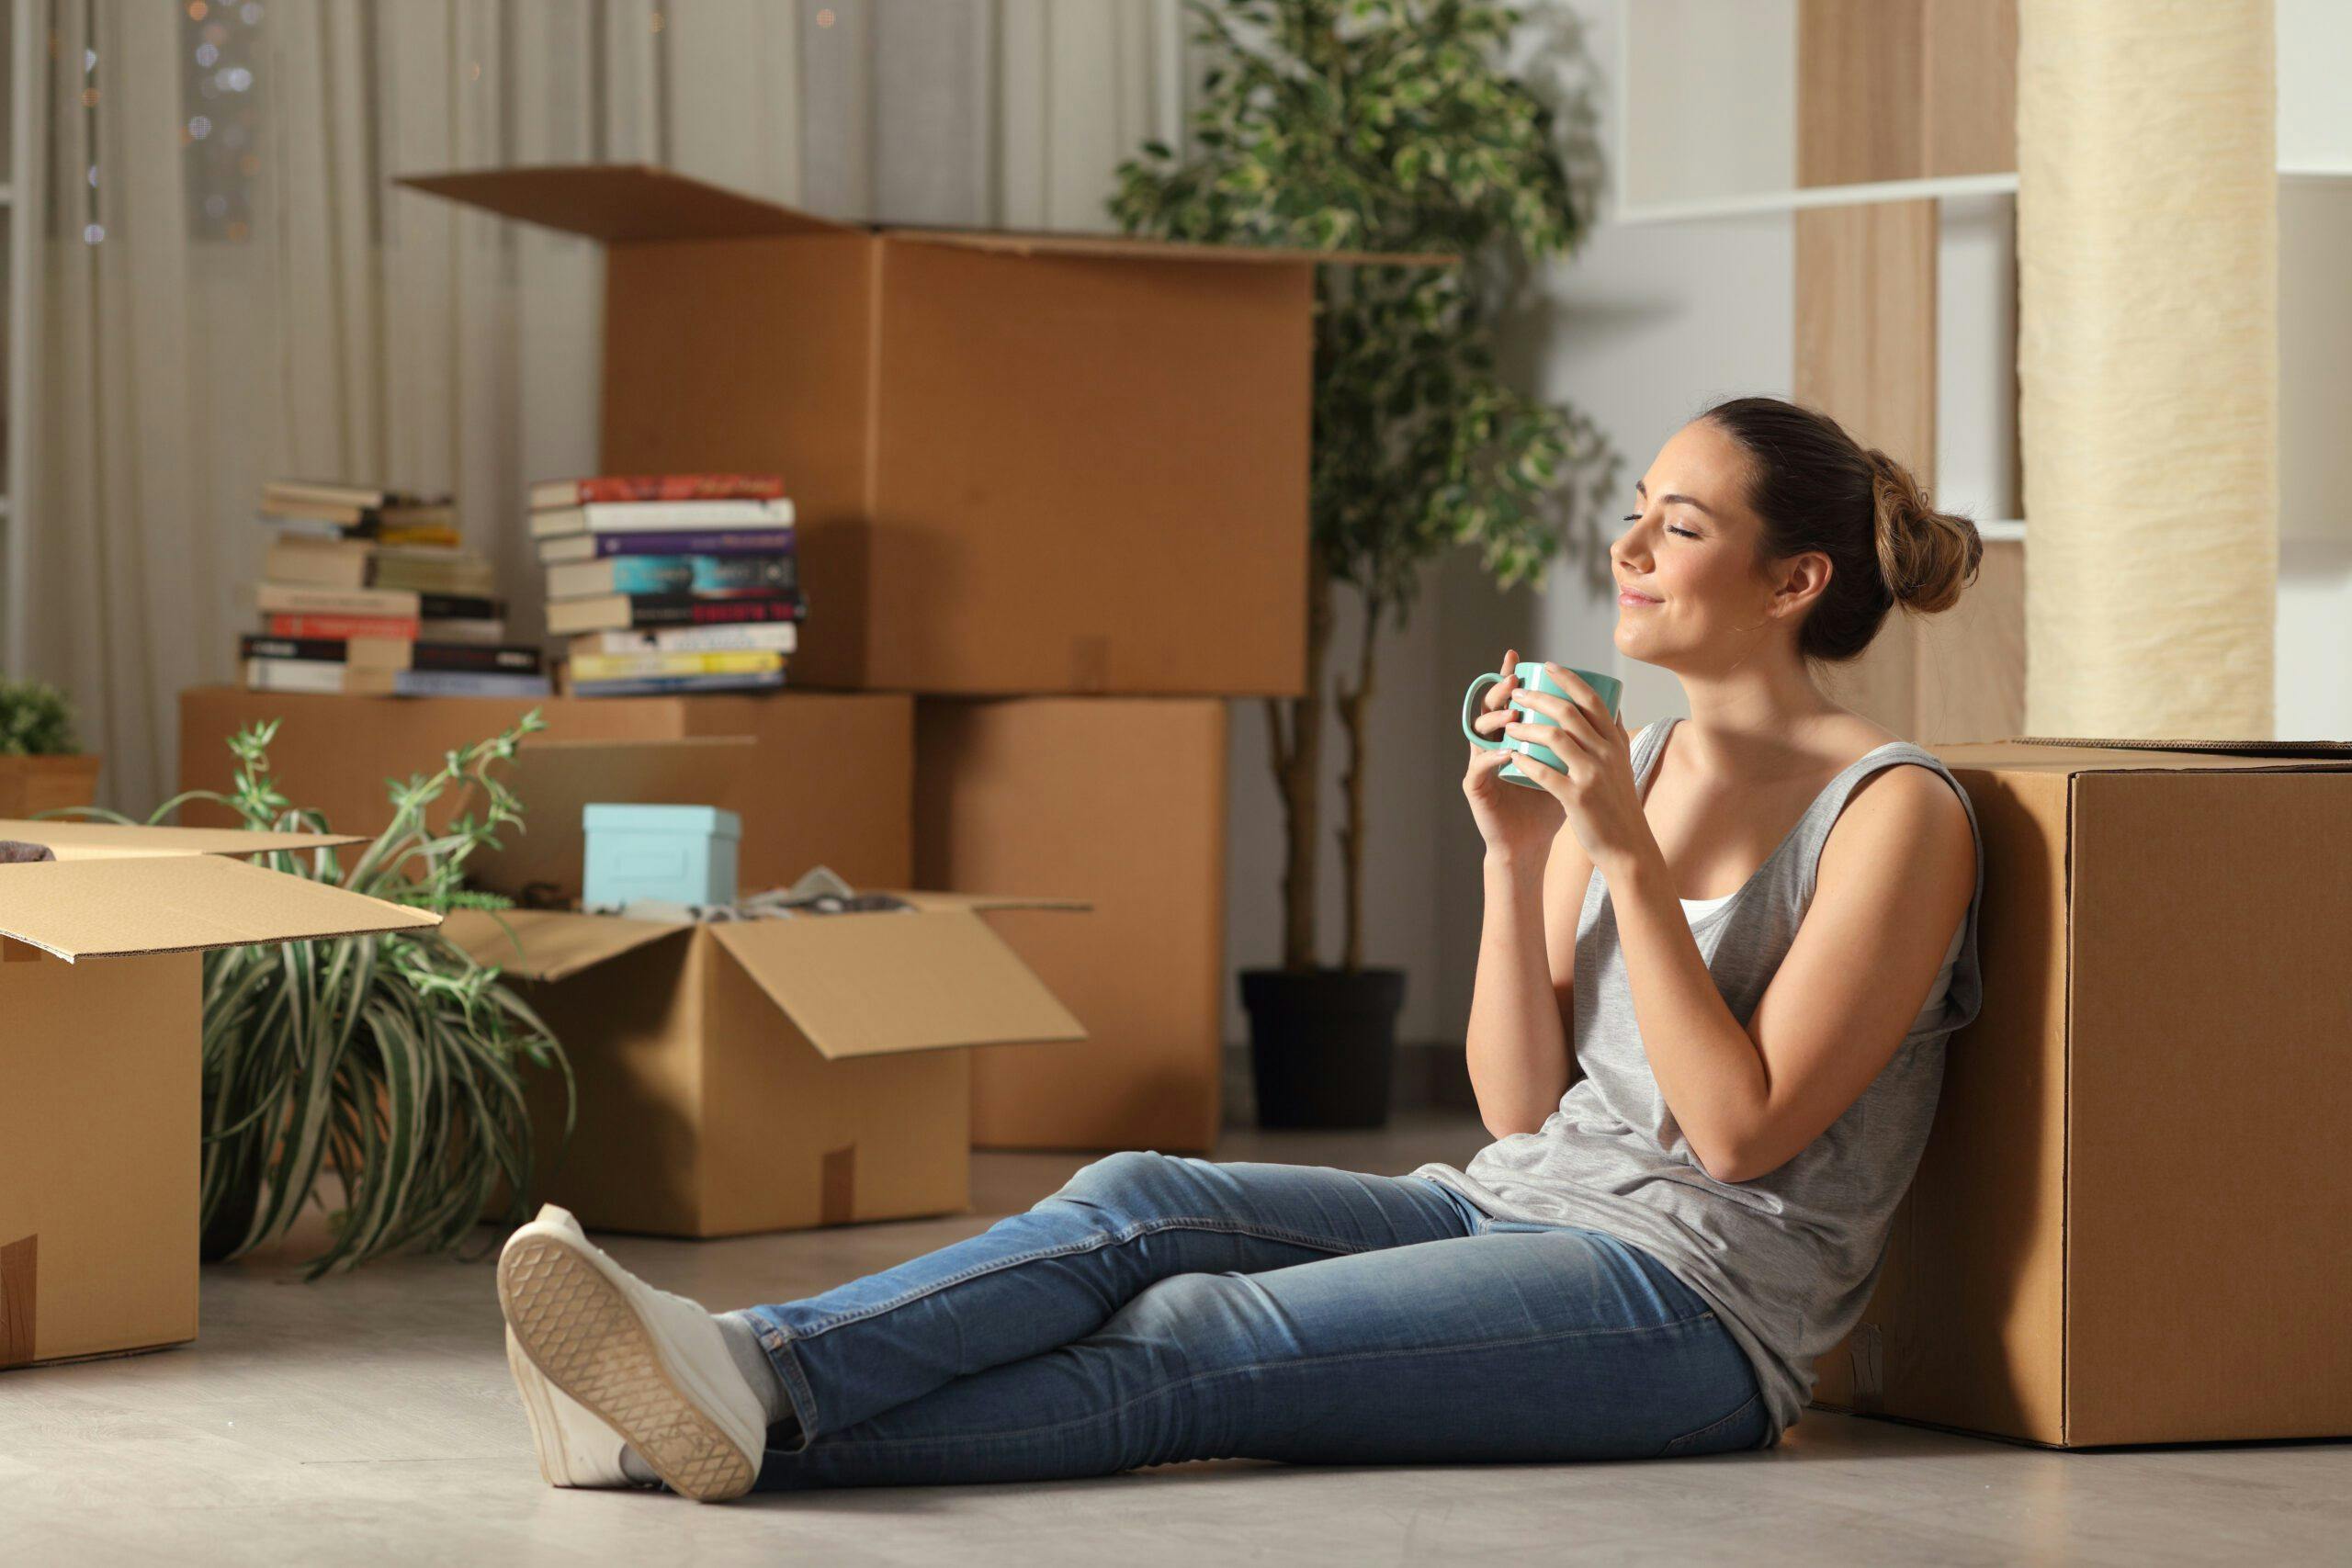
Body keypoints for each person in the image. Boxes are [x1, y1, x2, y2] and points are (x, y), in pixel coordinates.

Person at [493, 394, 1988, 1502]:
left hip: (1695, 1312)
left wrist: (1618, 855)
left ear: (1793, 583)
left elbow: (1734, 1135)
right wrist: (1514, 856)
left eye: (1684, 523)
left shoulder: (1895, 813)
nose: (1630, 545)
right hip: (1515, 1208)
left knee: (1199, 1337)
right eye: (1639, 507)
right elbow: (1519, 1112)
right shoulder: (1642, 766)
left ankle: (665, 1427)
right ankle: (735, 1371)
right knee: (1144, 1201)